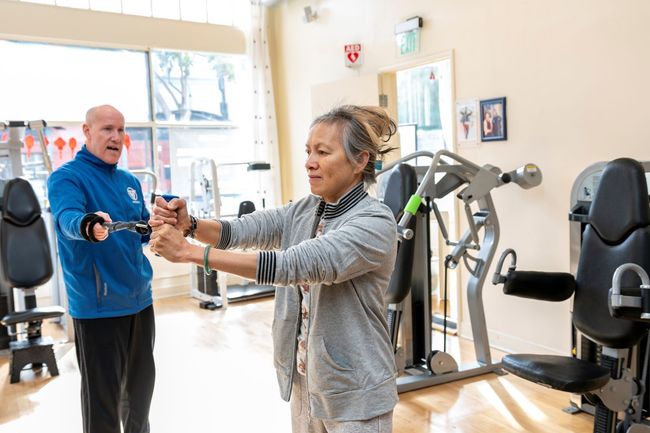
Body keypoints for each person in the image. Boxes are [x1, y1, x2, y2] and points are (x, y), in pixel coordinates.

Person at [150, 105, 399, 433]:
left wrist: (189, 253)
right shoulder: (306, 210)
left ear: (361, 161)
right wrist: (190, 224)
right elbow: (241, 231)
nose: (310, 162)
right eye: (309, 151)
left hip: (357, 393)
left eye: (323, 152)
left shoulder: (374, 223)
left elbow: (291, 265)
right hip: (307, 381)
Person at [47, 105, 155, 433]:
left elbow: (141, 229)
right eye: (107, 129)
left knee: (139, 399)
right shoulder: (67, 177)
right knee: (102, 408)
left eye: (121, 130)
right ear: (87, 131)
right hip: (98, 309)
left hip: (139, 302)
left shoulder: (128, 180)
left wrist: (156, 223)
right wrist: (87, 225)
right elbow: (67, 217)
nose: (116, 137)